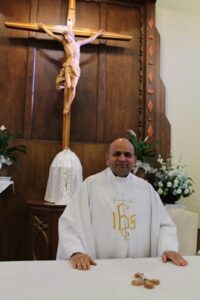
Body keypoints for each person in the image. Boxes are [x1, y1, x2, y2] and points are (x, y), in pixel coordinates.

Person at [56, 138, 188, 270]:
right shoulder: (90, 186)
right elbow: (69, 223)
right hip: (99, 268)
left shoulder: (146, 189)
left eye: (127, 155)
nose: (122, 158)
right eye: (117, 154)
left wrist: (168, 248)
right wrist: (76, 251)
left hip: (141, 268)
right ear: (107, 158)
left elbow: (163, 224)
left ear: (134, 160)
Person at [39, 24, 103, 114]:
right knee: (68, 86)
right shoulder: (65, 44)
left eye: (67, 35)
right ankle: (67, 105)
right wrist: (44, 28)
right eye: (64, 36)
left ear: (72, 35)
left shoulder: (78, 43)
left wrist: (98, 34)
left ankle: (68, 105)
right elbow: (53, 36)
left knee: (73, 87)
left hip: (75, 67)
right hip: (68, 67)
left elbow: (90, 39)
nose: (65, 37)